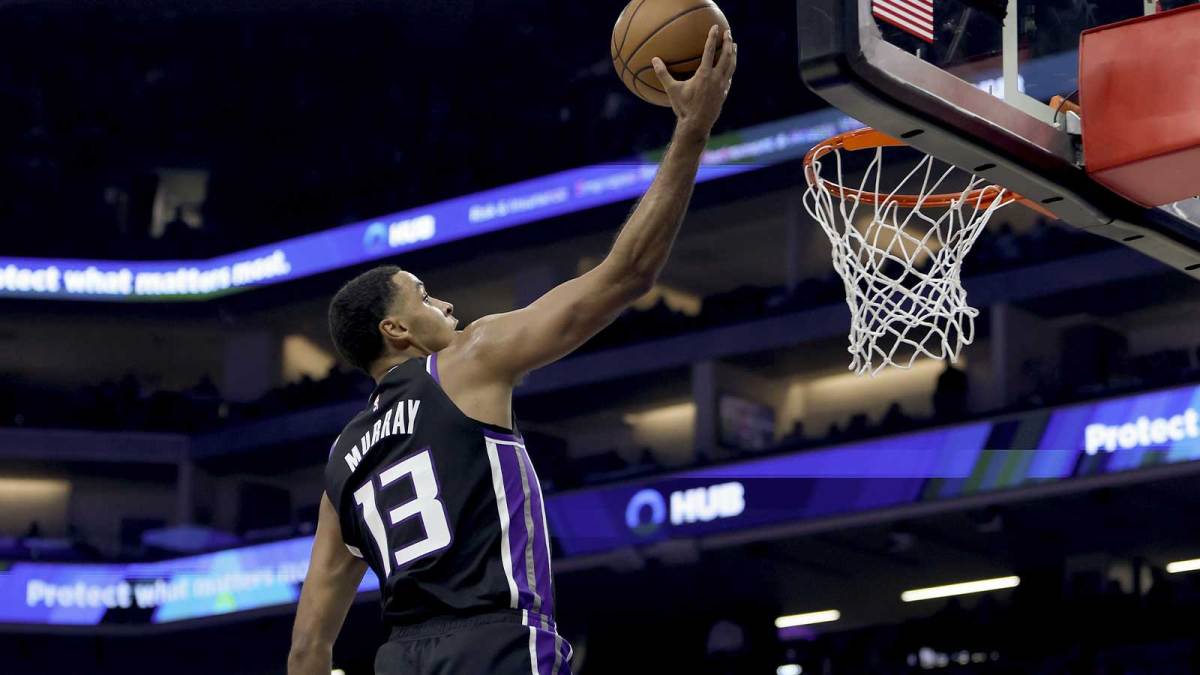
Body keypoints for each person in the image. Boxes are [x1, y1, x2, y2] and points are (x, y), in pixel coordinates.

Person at [287, 26, 737, 675]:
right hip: (494, 644)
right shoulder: (466, 360)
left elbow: (307, 648)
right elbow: (626, 275)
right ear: (396, 331)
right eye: (425, 296)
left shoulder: (342, 462)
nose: (446, 306)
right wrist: (693, 130)